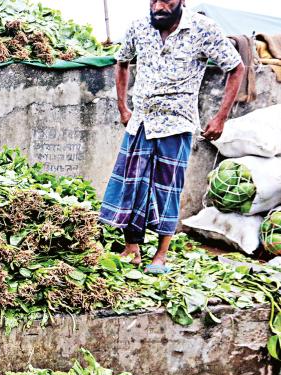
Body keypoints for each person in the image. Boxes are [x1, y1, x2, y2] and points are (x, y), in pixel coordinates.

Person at [99, 0, 245, 274]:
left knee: (167, 189)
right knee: (134, 185)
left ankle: (161, 255)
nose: (158, 6)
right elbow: (122, 63)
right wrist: (123, 108)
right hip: (141, 121)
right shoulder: (139, 26)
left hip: (176, 123)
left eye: (166, 0)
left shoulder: (203, 29)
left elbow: (236, 68)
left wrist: (220, 117)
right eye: (154, 0)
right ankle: (132, 249)